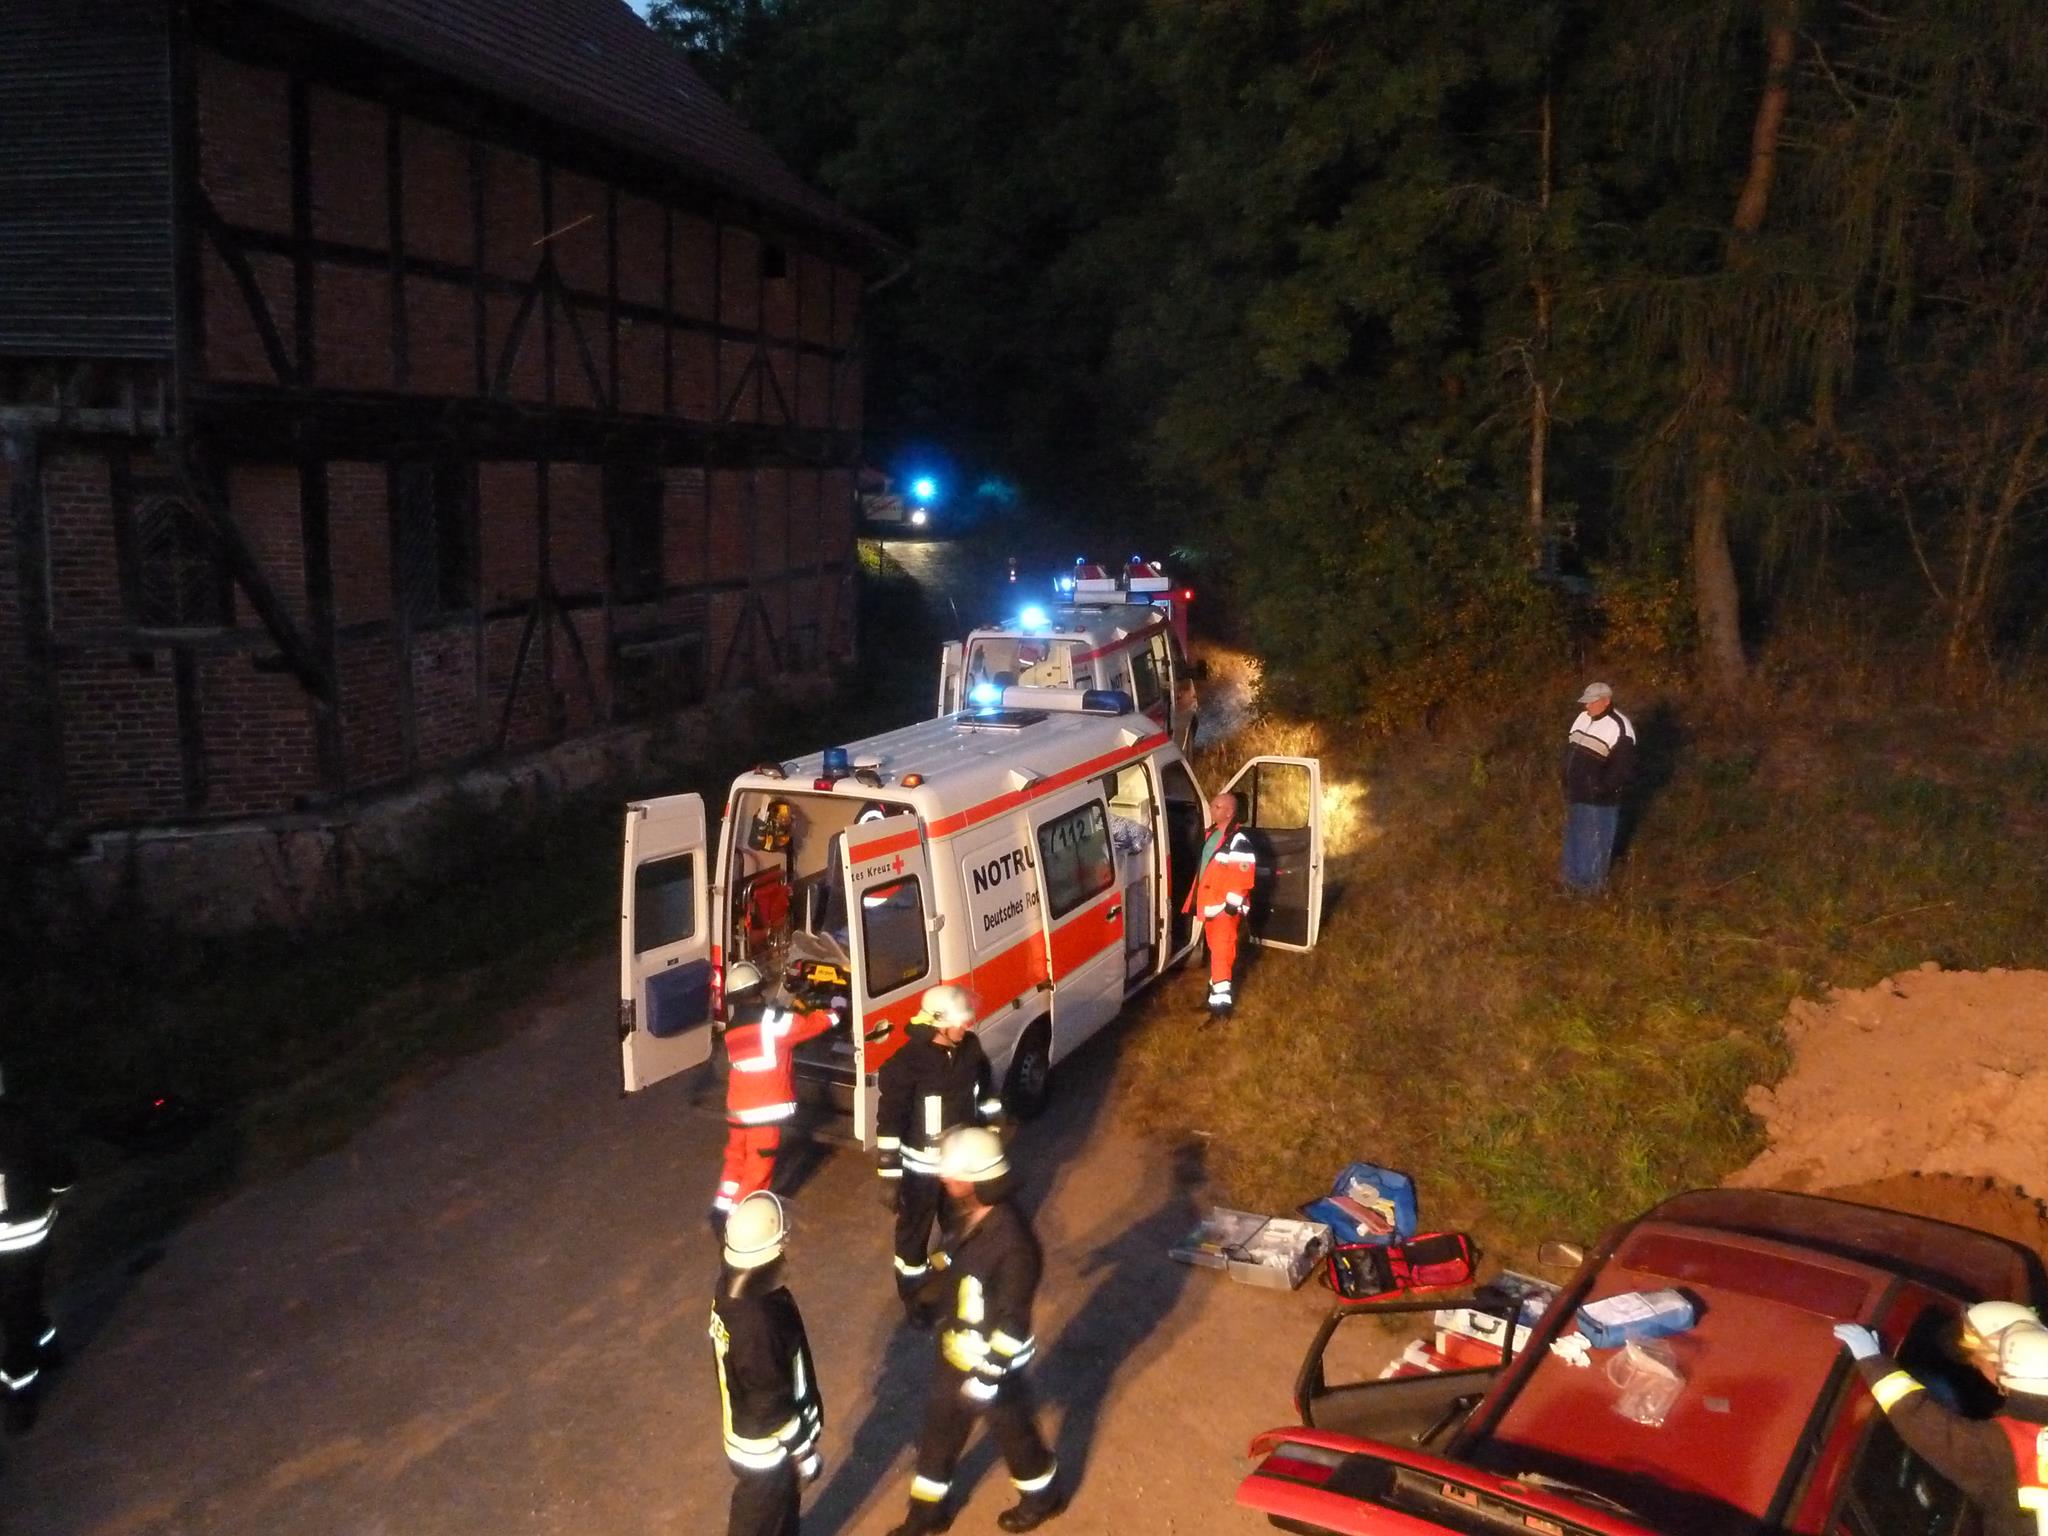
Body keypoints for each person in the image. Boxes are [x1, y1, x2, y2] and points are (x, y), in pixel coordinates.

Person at [888, 1128, 1063, 1536]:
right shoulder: (969, 1217)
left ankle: (1043, 1497)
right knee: (938, 1436)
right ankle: (926, 1516)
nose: (945, 1178)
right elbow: (956, 1263)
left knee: (1014, 1434)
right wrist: (927, 1293)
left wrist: (988, 1376)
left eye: (954, 1174)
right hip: (955, 1354)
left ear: (979, 1178)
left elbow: (1012, 1323)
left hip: (992, 1367)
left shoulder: (1015, 1245)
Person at [1833, 1300, 2048, 1536]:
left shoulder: (2001, 1446)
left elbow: (1923, 1422)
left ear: (2002, 1369)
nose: (1981, 1371)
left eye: (1980, 1363)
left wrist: (1874, 1362)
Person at [875, 986, 1002, 1308]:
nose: (965, 1026)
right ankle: (915, 1299)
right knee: (912, 1239)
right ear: (938, 1023)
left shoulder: (970, 1050)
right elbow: (890, 1121)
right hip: (920, 1173)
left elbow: (986, 1093)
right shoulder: (906, 1064)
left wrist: (992, 1131)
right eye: (959, 1021)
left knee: (962, 1228)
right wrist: (889, 1174)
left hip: (959, 1167)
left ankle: (962, 1279)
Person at [710, 1192, 824, 1536]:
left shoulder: (732, 1288)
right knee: (759, 1522)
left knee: (780, 1516)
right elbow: (769, 1402)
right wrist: (803, 1450)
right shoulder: (757, 1323)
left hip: (755, 1437)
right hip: (767, 1450)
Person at [712, 963, 843, 1231]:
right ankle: (737, 1223)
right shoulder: (773, 1020)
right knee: (758, 1171)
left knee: (736, 1162)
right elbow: (809, 1025)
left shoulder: (732, 1030)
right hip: (763, 1113)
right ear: (760, 989)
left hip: (738, 1111)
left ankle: (721, 1209)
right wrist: (836, 1010)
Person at [0, 1067, 75, 1434]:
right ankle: (47, 1345)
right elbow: (61, 1171)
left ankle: (20, 1393)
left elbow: (59, 1168)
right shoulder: (21, 1120)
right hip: (28, 1235)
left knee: (15, 1315)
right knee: (18, 1306)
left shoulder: (19, 1122)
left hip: (22, 1237)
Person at [1181, 790, 1256, 1019]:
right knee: (1217, 955)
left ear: (1229, 812)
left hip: (1224, 910)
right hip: (1211, 907)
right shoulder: (1212, 834)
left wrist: (1231, 906)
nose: (1212, 809)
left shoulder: (1239, 842)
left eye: (1217, 807)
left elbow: (1243, 877)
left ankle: (1221, 1010)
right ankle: (1212, 999)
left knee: (1222, 957)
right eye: (1213, 805)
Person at [1561, 681, 1637, 895]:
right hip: (1576, 794)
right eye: (1585, 702)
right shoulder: (1582, 718)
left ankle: (1590, 893)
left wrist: (1600, 788)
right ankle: (1570, 887)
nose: (1587, 706)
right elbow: (1570, 752)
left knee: (1594, 846)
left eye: (1591, 702)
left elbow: (1622, 769)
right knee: (1574, 843)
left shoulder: (1620, 727)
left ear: (1606, 701)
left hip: (1600, 801)